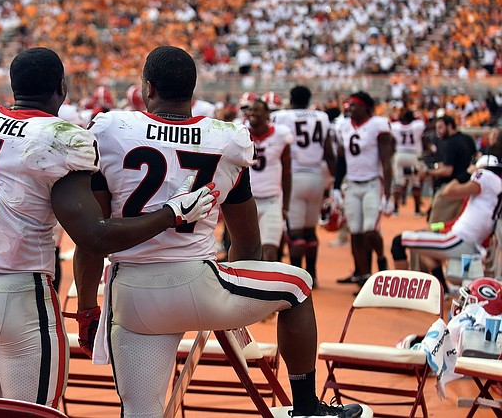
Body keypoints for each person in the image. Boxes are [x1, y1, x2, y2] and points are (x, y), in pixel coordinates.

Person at [0, 47, 217, 407]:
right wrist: (169, 215)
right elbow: (93, 237)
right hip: (23, 297)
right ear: (61, 88)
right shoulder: (63, 137)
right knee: (30, 414)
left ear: (12, 85)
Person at [82, 46, 363, 418]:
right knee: (297, 286)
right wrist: (234, 307)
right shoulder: (226, 139)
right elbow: (246, 239)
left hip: (130, 295)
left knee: (140, 412)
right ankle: (307, 408)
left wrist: (87, 308)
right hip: (196, 285)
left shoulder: (111, 129)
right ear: (193, 90)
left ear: (148, 88)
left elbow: (92, 238)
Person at [393, 155, 502, 287]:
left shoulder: (485, 176)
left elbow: (447, 192)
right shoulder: (489, 195)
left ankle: (401, 292)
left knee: (398, 241)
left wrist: (466, 174)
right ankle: (444, 291)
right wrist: (435, 228)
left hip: (460, 241)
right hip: (470, 244)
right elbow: (457, 221)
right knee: (426, 250)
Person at [273, 85, 336, 284]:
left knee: (295, 232)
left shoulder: (282, 116)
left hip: (295, 175)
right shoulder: (322, 117)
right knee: (310, 230)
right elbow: (328, 152)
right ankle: (313, 274)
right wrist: (335, 181)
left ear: (290, 99)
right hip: (317, 176)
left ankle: (297, 278)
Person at [333, 92, 394, 288]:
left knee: (370, 230)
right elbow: (341, 159)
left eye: (354, 106)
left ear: (366, 108)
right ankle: (365, 277)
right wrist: (336, 186)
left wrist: (388, 195)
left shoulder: (378, 125)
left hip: (372, 182)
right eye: (349, 105)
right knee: (356, 232)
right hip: (352, 183)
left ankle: (382, 259)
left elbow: (386, 161)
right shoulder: (343, 126)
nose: (350, 109)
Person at [247, 98, 293, 262]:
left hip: (272, 199)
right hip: (247, 200)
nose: (252, 113)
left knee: (270, 249)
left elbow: (287, 173)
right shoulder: (241, 133)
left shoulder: (281, 135)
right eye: (251, 109)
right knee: (245, 251)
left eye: (257, 109)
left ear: (267, 114)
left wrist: (285, 206)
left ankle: (268, 287)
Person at [425, 115, 476, 224]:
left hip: (450, 190)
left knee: (435, 224)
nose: (438, 131)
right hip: (465, 190)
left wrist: (428, 173)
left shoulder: (451, 144)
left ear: (449, 126)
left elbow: (448, 171)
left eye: (440, 127)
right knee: (455, 224)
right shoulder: (467, 139)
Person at [390, 111, 427, 216]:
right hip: (413, 155)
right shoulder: (417, 125)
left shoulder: (395, 126)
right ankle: (417, 210)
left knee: (398, 182)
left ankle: (395, 209)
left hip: (400, 154)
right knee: (416, 182)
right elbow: (425, 123)